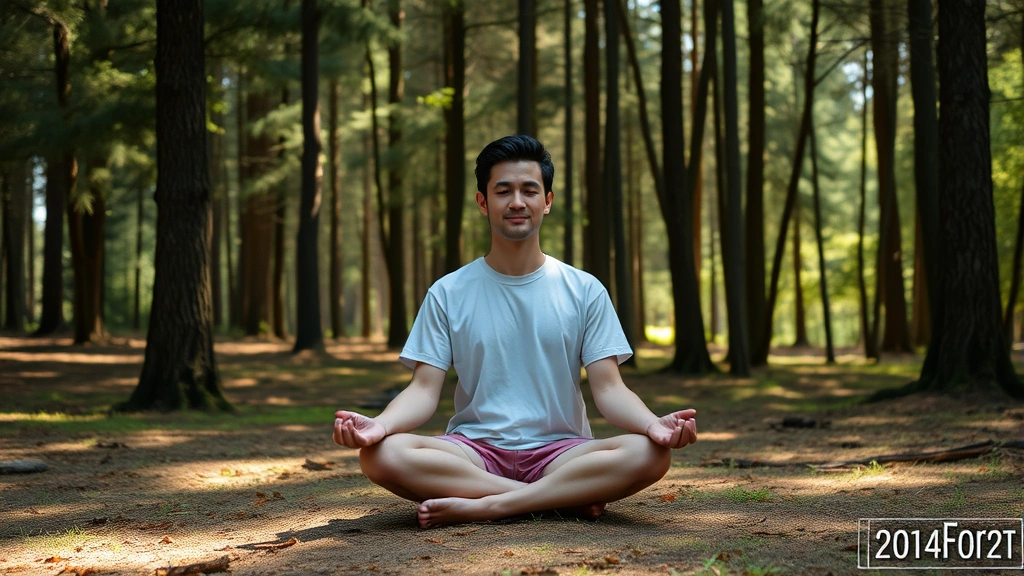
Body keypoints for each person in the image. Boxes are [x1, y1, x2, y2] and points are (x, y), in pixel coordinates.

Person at [333, 135, 697, 529]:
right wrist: (381, 425)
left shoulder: (584, 290)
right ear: (483, 202)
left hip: (562, 453)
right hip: (473, 452)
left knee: (651, 453)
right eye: (503, 191)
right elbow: (423, 390)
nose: (517, 202)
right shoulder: (448, 292)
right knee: (380, 455)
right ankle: (557, 499)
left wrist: (652, 424)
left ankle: (489, 505)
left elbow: (609, 389)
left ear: (548, 201)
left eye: (530, 190)